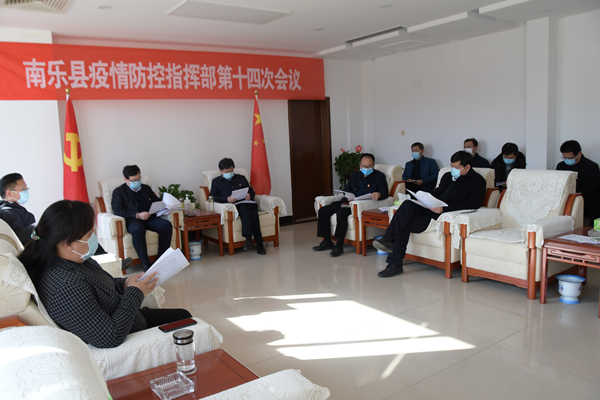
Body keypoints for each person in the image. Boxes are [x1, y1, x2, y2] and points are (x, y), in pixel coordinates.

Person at [18, 200, 191, 348]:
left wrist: (124, 283)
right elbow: (109, 337)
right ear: (67, 243)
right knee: (186, 323)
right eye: (89, 234)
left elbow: (101, 285)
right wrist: (135, 292)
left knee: (183, 316)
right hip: (127, 332)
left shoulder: (76, 260)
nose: (94, 238)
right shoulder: (64, 285)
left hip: (129, 318)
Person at [374, 151, 486, 277]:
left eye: (456, 168)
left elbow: (473, 205)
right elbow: (438, 192)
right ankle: (390, 246)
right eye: (452, 166)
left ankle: (393, 259)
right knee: (407, 204)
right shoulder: (447, 176)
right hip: (432, 207)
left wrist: (443, 209)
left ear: (467, 167)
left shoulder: (478, 181)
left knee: (404, 222)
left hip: (443, 215)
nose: (453, 170)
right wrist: (424, 197)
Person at [313, 153, 388, 257]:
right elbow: (347, 189)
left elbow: (385, 193)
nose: (367, 169)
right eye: (364, 166)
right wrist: (346, 194)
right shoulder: (354, 175)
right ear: (360, 165)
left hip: (360, 205)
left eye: (369, 166)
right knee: (323, 211)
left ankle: (339, 245)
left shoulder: (379, 176)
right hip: (348, 201)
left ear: (373, 165)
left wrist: (379, 194)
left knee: (341, 213)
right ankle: (327, 241)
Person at [111, 165, 172, 270]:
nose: (137, 182)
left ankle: (161, 260)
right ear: (125, 179)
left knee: (166, 225)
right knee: (138, 229)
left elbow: (156, 201)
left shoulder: (146, 188)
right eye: (134, 180)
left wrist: (163, 206)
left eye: (139, 179)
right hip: (133, 220)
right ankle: (146, 264)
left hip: (149, 218)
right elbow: (117, 210)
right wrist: (137, 215)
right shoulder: (118, 192)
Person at [211, 158, 266, 255]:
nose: (229, 173)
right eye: (226, 172)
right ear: (221, 171)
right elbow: (213, 197)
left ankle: (248, 239)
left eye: (231, 171)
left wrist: (250, 195)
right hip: (233, 205)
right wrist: (226, 199)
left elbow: (251, 191)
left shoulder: (241, 178)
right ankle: (259, 244)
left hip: (247, 202)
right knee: (251, 213)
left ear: (233, 168)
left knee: (250, 210)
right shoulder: (216, 181)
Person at [556, 140, 600, 225]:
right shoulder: (561, 166)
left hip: (587, 207)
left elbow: (593, 190)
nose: (567, 160)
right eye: (564, 158)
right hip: (566, 205)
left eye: (570, 158)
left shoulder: (591, 167)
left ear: (579, 154)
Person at [0, 173, 35, 246]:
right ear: (9, 193)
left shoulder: (16, 210)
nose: (26, 191)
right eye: (23, 189)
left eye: (26, 189)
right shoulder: (8, 215)